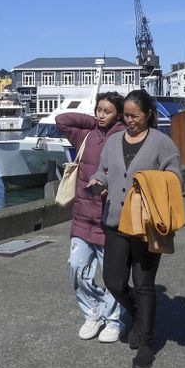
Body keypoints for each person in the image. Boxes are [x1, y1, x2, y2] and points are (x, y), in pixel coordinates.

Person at [87, 89, 183, 368]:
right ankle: (140, 319)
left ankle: (146, 343)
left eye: (134, 116)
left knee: (144, 285)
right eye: (126, 115)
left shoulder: (162, 144)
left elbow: (175, 178)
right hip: (115, 222)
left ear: (149, 114)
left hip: (146, 226)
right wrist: (97, 182)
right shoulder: (114, 141)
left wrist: (149, 181)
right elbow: (101, 171)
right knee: (114, 281)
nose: (129, 120)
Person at [55, 92, 126, 343]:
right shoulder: (84, 135)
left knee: (112, 276)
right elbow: (62, 119)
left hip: (111, 218)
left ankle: (114, 320)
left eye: (107, 111)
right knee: (76, 268)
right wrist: (93, 121)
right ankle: (92, 312)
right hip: (83, 216)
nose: (101, 115)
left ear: (119, 113)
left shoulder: (124, 137)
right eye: (99, 110)